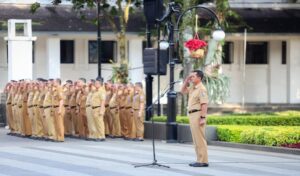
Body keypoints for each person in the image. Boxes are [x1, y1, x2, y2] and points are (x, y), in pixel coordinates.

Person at [181, 70, 209, 167]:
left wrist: (203, 117)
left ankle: (203, 161)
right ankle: (199, 159)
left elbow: (204, 104)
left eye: (193, 76)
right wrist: (186, 80)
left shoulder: (201, 89)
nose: (191, 78)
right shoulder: (194, 87)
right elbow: (183, 91)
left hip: (198, 115)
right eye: (191, 76)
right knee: (196, 139)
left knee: (200, 139)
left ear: (199, 78)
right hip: (192, 115)